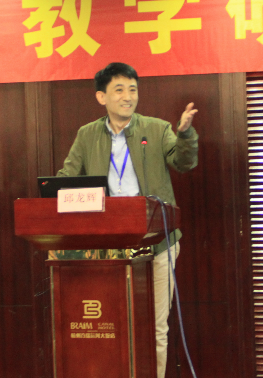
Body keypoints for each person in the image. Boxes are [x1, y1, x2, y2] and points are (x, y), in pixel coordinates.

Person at [57, 62, 198, 378]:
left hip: (158, 244)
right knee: (112, 325)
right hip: (107, 249)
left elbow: (184, 162)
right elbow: (67, 177)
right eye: (119, 90)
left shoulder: (156, 129)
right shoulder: (87, 135)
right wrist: (51, 191)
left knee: (155, 326)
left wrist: (185, 134)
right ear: (101, 97)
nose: (128, 96)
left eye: (133, 89)